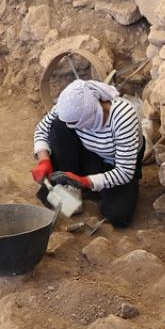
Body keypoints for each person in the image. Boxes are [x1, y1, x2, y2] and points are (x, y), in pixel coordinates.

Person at [31, 79, 144, 228]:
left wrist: (83, 181)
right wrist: (44, 160)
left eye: (78, 123)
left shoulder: (123, 116)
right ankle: (72, 189)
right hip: (90, 153)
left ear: (91, 113)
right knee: (59, 126)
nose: (74, 126)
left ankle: (82, 186)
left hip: (115, 164)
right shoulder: (69, 103)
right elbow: (42, 130)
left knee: (117, 215)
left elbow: (124, 172)